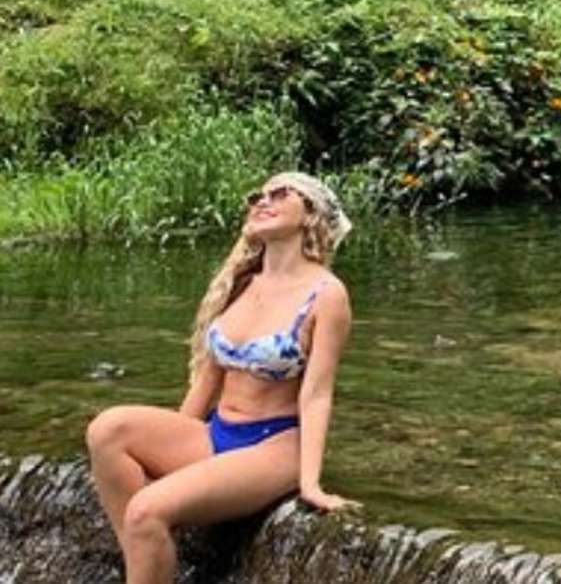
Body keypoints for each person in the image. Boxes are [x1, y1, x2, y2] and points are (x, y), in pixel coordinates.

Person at [84, 171, 359, 583]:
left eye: (280, 193)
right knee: (107, 429)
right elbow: (208, 380)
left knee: (145, 509)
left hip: (274, 445)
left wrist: (311, 483)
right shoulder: (241, 283)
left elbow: (317, 394)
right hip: (217, 434)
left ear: (311, 213)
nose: (262, 201)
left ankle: (147, 553)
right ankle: (146, 560)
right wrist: (171, 447)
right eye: (257, 196)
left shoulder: (326, 294)